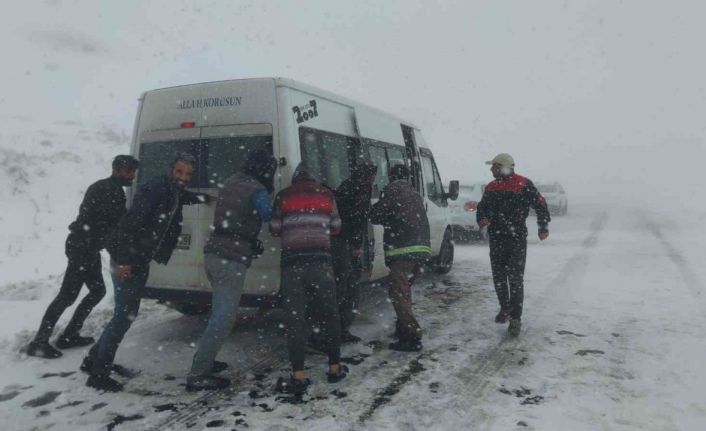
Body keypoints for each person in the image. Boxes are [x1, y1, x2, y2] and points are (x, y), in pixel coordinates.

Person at [83, 152, 210, 392]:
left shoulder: (172, 189)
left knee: (125, 313)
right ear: (170, 169)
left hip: (136, 258)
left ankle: (94, 360)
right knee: (124, 316)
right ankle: (98, 374)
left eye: (188, 174)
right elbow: (130, 225)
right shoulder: (155, 189)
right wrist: (124, 262)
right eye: (179, 172)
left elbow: (183, 196)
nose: (183, 178)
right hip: (126, 258)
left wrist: (204, 197)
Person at [26, 155, 139, 359]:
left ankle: (69, 335)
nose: (132, 176)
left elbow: (109, 225)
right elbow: (109, 227)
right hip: (82, 247)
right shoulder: (109, 191)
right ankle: (39, 343)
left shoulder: (109, 188)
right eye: (130, 171)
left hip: (86, 246)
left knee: (97, 291)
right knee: (67, 295)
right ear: (118, 169)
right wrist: (121, 256)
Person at [186, 150, 277, 391]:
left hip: (214, 253)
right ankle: (198, 374)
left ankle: (205, 360)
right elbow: (269, 215)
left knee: (219, 311)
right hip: (231, 258)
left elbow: (235, 215)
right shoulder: (257, 189)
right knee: (224, 318)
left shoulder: (231, 181)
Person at [269, 162, 348, 396]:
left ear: (295, 178)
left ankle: (299, 374)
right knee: (330, 314)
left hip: (293, 264)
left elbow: (274, 229)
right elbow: (336, 227)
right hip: (321, 263)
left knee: (295, 318)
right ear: (315, 178)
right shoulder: (327, 195)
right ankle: (334, 368)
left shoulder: (283, 196)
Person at [476, 153, 550, 336]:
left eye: (494, 166)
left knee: (515, 279)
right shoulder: (491, 187)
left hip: (516, 239)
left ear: (503, 167)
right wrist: (482, 219)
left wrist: (543, 226)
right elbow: (482, 208)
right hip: (497, 238)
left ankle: (515, 318)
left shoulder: (523, 184)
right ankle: (505, 307)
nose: (491, 170)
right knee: (499, 277)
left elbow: (540, 204)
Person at [370, 164, 431, 352]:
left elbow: (377, 215)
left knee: (398, 295)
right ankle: (403, 330)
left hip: (403, 250)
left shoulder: (392, 191)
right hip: (421, 250)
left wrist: (372, 208)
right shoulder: (414, 192)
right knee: (404, 292)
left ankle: (412, 337)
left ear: (391, 176)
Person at [331, 159, 377, 343]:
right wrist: (357, 245)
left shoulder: (346, 185)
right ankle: (341, 330)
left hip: (336, 240)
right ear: (369, 175)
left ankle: (331, 329)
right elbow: (357, 217)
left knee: (340, 286)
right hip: (346, 243)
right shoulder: (362, 188)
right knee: (350, 287)